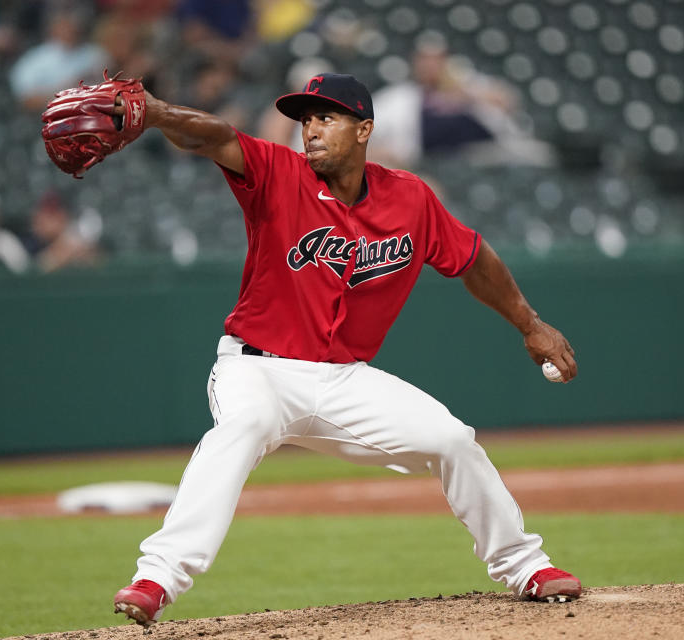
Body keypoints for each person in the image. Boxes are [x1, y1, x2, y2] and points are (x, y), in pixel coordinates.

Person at [106, 72, 582, 626]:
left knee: (452, 439)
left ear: (365, 129)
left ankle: (526, 566)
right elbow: (213, 136)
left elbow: (473, 260)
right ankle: (157, 578)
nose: (310, 130)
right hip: (258, 370)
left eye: (326, 118)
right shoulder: (277, 173)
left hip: (343, 380)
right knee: (241, 429)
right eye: (305, 119)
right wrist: (159, 111)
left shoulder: (410, 198)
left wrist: (531, 323)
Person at [368, 40, 555, 169]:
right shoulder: (400, 97)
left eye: (436, 60)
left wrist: (464, 91)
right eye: (424, 60)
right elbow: (368, 126)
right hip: (432, 160)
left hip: (486, 154)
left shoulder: (470, 84)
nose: (430, 66)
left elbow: (507, 102)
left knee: (542, 156)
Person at [9, 4, 109, 112]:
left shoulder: (96, 54)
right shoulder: (34, 59)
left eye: (71, 24)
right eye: (62, 24)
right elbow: (26, 100)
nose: (68, 29)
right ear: (52, 28)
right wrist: (67, 91)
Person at [26, 190, 100, 273]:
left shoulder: (78, 236)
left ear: (62, 216)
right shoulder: (32, 243)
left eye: (49, 217)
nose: (39, 223)